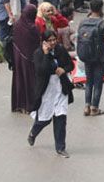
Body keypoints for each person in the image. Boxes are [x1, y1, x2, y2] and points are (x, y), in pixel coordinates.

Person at [27, 30, 74, 158]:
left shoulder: (60, 50)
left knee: (61, 117)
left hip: (60, 88)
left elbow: (70, 64)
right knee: (44, 119)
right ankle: (33, 133)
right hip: (46, 90)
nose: (53, 43)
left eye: (54, 40)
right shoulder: (38, 53)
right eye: (50, 40)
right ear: (44, 42)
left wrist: (63, 70)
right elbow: (41, 70)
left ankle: (60, 147)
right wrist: (46, 54)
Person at [77, 0, 104, 116]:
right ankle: (94, 107)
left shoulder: (82, 22)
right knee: (97, 82)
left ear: (90, 8)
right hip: (99, 56)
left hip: (86, 55)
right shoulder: (102, 23)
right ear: (101, 9)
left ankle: (86, 106)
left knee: (89, 81)